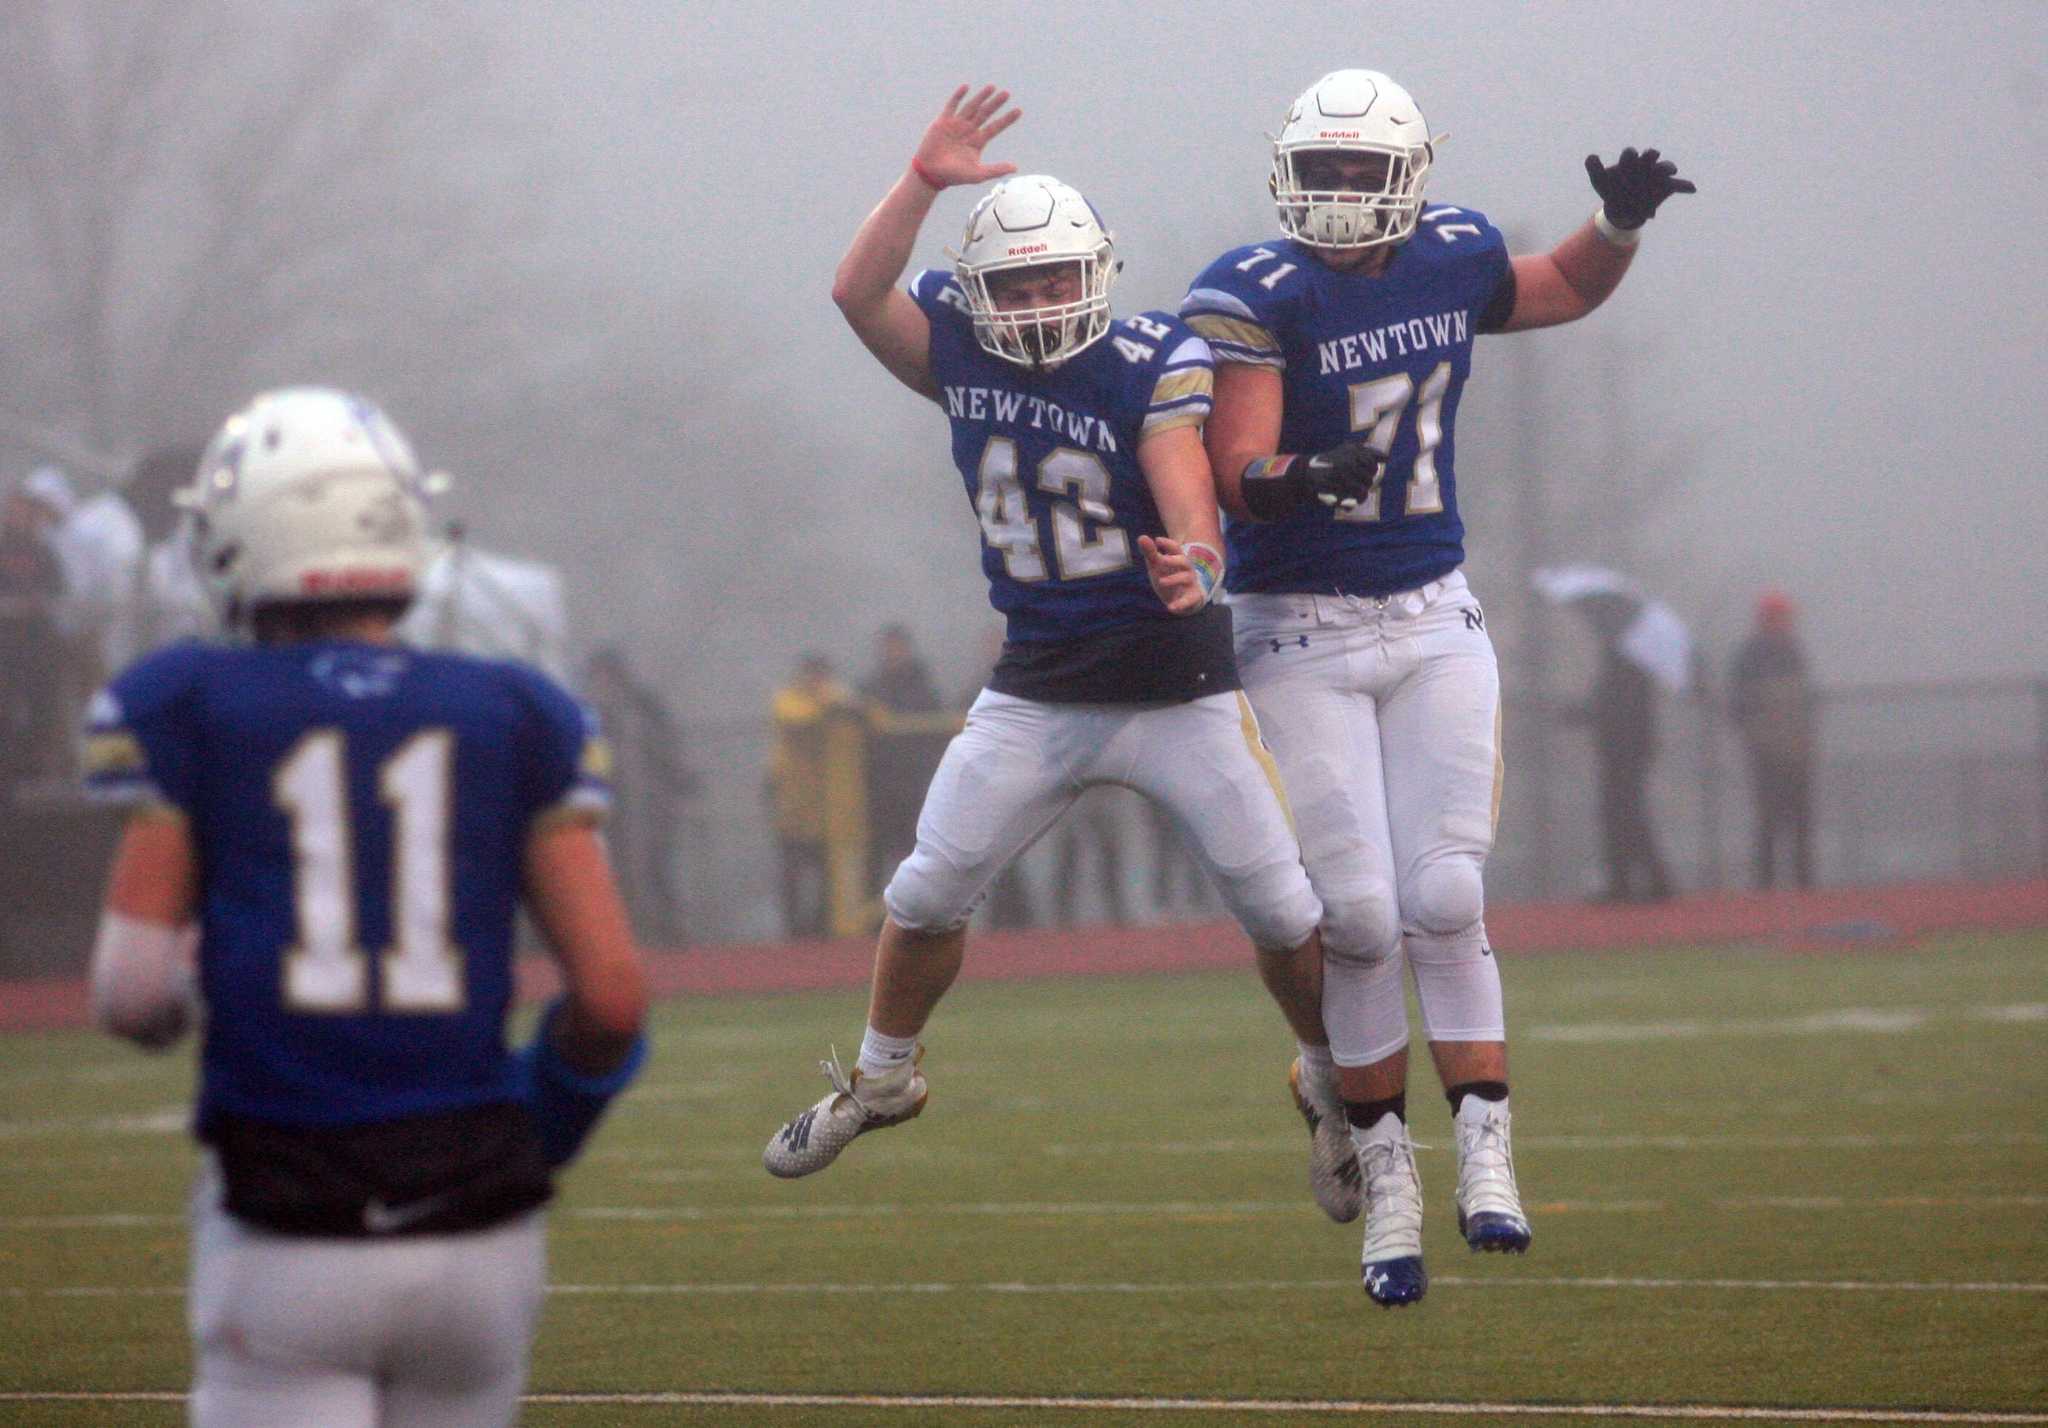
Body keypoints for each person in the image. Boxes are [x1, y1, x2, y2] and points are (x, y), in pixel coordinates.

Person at [764, 86, 1352, 1192]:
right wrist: (921, 182)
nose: (1037, 303)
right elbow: (855, 289)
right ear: (978, 294)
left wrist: (1203, 564)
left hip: (1174, 690)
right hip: (1037, 691)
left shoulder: (1145, 361)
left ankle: (1327, 1081)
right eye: (1016, 284)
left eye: (1054, 279)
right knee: (926, 891)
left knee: (1281, 908)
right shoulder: (956, 352)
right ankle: (884, 1081)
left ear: (1096, 275)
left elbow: (1188, 491)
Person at [1182, 68, 1693, 1304]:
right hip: (1295, 625)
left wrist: (1615, 229)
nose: (1343, 193)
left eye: (1364, 172)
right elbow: (1234, 460)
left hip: (1428, 610)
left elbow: (1559, 286)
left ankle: (1483, 1156)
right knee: (1356, 915)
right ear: (1287, 176)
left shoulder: (1455, 250)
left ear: (1408, 177)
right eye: (1324, 172)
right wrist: (1296, 476)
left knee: (1446, 888)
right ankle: (1385, 1177)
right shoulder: (1255, 290)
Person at [81, 387, 649, 1426]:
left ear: (238, 536)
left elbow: (129, 995)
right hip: (483, 1225)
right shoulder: (517, 708)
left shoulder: (188, 699)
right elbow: (611, 999)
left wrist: (194, 997)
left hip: (290, 1214)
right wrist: (543, 1132)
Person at [1728, 590, 1816, 889]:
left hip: (1795, 747)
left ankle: (1803, 882)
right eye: (1778, 616)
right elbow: (1737, 705)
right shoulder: (1751, 655)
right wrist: (1757, 732)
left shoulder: (1794, 651)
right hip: (1767, 749)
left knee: (1799, 818)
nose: (1784, 622)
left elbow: (1804, 702)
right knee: (1769, 818)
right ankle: (1766, 884)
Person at [766, 652, 852, 938]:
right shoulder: (789, 700)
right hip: (789, 799)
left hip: (828, 801)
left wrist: (838, 704)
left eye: (820, 674)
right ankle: (794, 930)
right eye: (810, 674)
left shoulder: (836, 697)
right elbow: (795, 720)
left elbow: (866, 713)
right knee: (792, 868)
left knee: (828, 869)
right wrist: (828, 705)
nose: (815, 680)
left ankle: (821, 927)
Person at [1586, 634, 1675, 903]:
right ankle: (1630, 881)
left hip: (1623, 753)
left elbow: (1614, 709)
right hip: (1626, 753)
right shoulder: (1633, 665)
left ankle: (1645, 882)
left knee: (1625, 817)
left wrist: (1586, 712)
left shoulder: (1624, 668)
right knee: (1625, 817)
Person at [858, 622, 944, 895]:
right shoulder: (869, 689)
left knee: (916, 853)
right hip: (879, 785)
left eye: (897, 646)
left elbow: (936, 734)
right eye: (888, 647)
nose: (893, 652)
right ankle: (872, 921)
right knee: (875, 853)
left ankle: (917, 915)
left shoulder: (923, 689)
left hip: (915, 785)